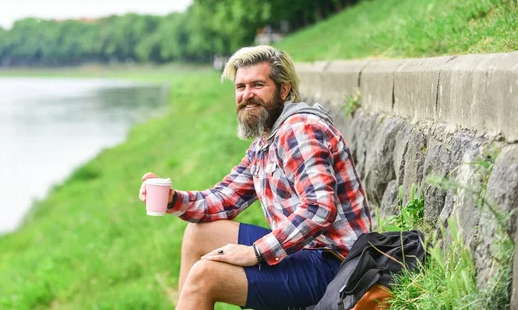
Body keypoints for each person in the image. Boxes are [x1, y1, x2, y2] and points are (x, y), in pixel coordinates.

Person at [139, 45, 371, 310]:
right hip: (304, 253)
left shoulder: (299, 129)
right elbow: (224, 199)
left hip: (336, 269)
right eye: (240, 87)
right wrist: (172, 200)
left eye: (257, 85)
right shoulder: (264, 143)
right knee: (197, 234)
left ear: (283, 90)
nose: (247, 95)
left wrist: (256, 253)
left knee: (206, 276)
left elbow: (319, 208)